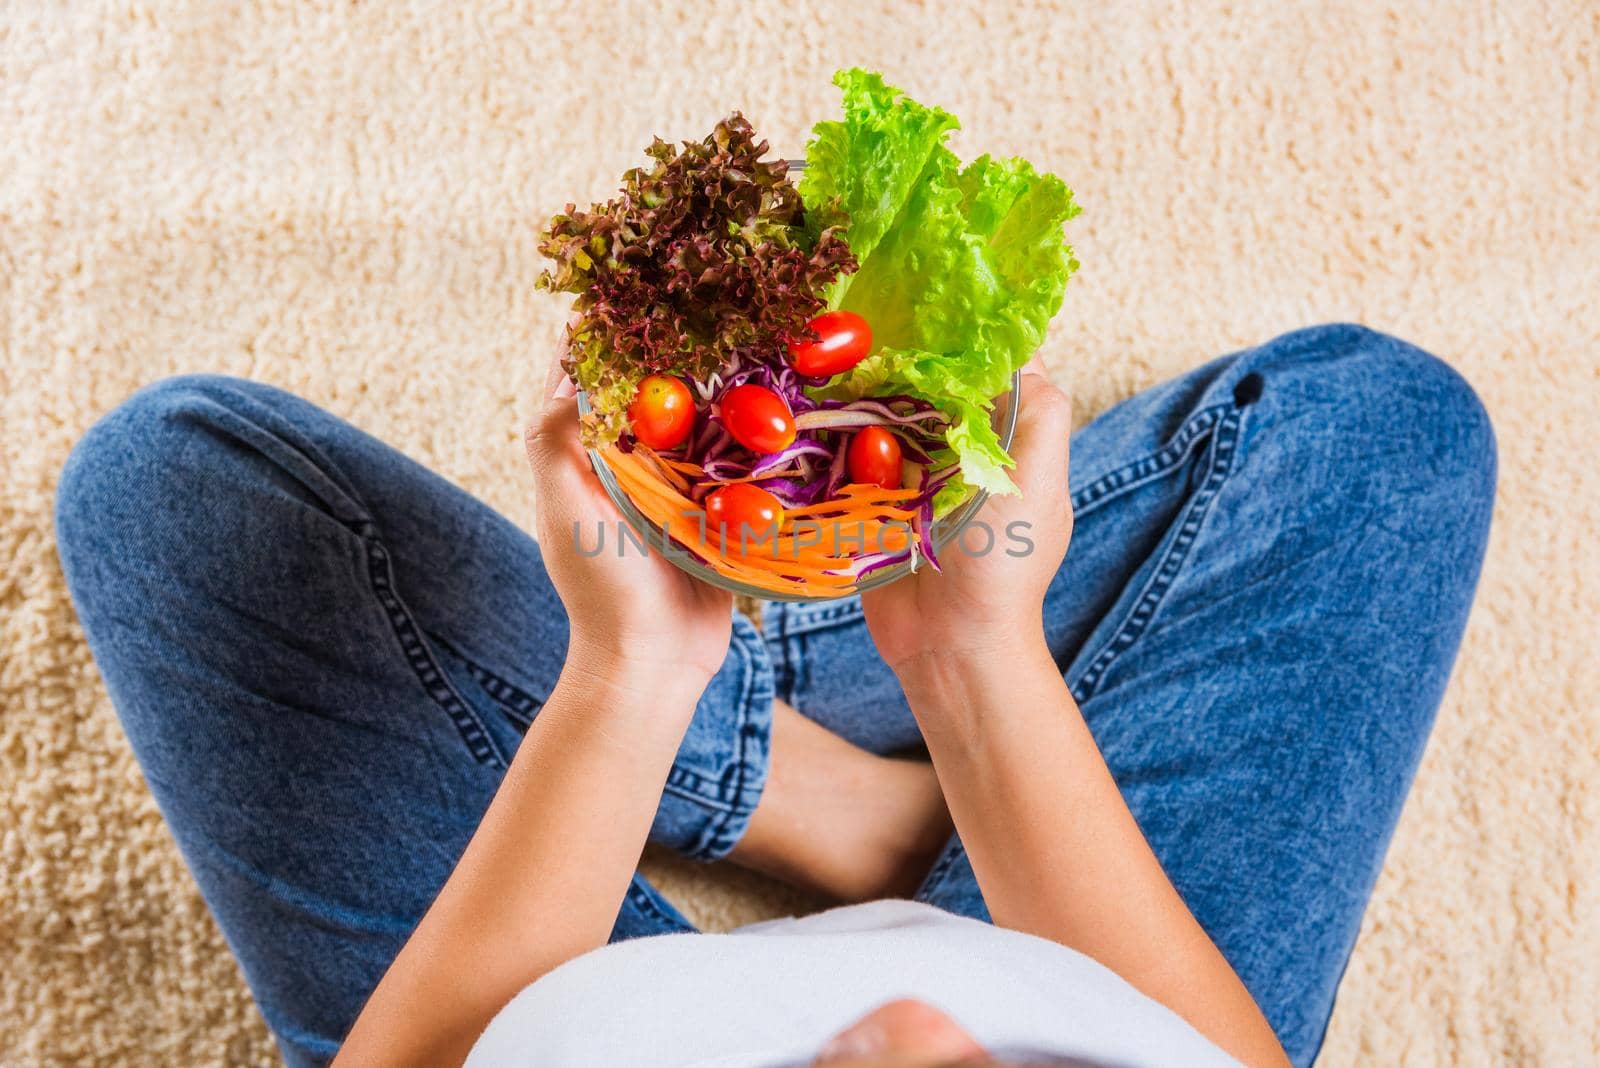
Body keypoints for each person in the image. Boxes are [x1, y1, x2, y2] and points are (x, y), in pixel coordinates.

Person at [54, 324, 1495, 1068]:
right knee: (1367, 428)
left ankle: (770, 767)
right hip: (1096, 941)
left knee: (179, 500)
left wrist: (633, 677)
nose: (920, 1026)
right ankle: (902, 807)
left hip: (543, 986)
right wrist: (972, 663)